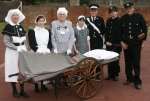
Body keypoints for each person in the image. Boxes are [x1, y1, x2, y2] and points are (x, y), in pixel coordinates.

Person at [2, 9, 29, 97]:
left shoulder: (20, 26)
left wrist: (26, 48)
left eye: (17, 15)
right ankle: (14, 90)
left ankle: (22, 90)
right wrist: (16, 48)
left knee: (22, 69)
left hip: (22, 50)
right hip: (12, 52)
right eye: (14, 15)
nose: (16, 17)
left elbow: (24, 40)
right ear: (11, 17)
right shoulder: (8, 27)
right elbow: (6, 42)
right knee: (13, 69)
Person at [121, 1, 147, 89]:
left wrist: (143, 42)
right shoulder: (123, 18)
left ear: (133, 8)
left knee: (136, 63)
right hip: (126, 45)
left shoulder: (139, 17)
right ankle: (129, 79)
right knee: (127, 63)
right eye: (127, 9)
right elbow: (119, 32)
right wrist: (122, 42)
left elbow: (144, 30)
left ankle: (137, 81)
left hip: (136, 44)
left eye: (130, 8)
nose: (128, 10)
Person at [28, 15, 52, 92]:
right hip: (37, 52)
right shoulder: (32, 31)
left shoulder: (47, 31)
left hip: (46, 51)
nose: (41, 22)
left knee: (45, 70)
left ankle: (43, 85)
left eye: (42, 20)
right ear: (37, 22)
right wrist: (38, 50)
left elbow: (50, 43)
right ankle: (36, 86)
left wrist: (48, 49)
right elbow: (32, 44)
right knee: (37, 70)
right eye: (39, 21)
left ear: (44, 22)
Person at [105, 6, 122, 81]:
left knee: (115, 60)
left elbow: (122, 33)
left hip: (116, 45)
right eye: (111, 12)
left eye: (114, 12)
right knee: (109, 60)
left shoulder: (120, 21)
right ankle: (110, 74)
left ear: (117, 12)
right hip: (109, 44)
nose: (113, 13)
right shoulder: (108, 21)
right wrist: (106, 41)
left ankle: (115, 75)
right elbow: (106, 32)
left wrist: (119, 42)